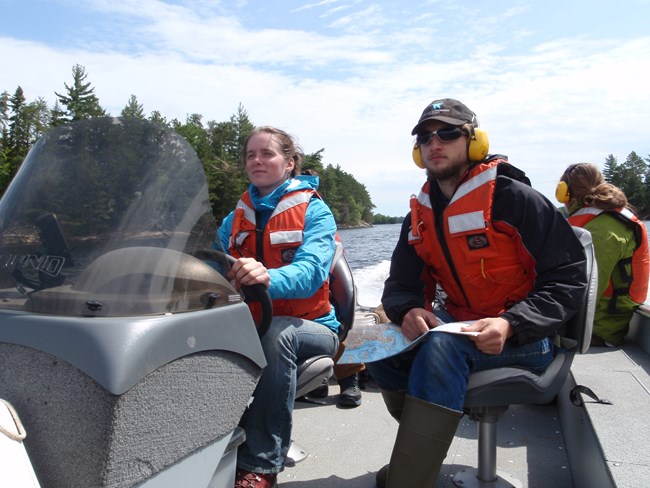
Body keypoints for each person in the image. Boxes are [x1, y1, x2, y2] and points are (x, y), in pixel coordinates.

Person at [365, 98, 588, 487]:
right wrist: (409, 311)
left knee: (442, 349)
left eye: (449, 133)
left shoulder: (514, 199)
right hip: (460, 325)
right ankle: (420, 454)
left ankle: (410, 478)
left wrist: (511, 323)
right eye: (425, 135)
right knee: (375, 342)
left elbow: (568, 278)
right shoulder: (418, 213)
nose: (436, 142)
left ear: (474, 141)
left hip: (527, 334)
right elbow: (401, 285)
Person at [216, 126, 340, 488]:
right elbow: (210, 261)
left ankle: (261, 464)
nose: (256, 160)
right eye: (250, 155)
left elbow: (313, 272)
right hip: (249, 326)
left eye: (266, 153)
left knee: (276, 334)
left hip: (313, 328)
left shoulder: (315, 211)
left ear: (289, 163)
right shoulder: (235, 216)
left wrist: (266, 277)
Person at [556, 162, 649, 346]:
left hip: (600, 327)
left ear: (565, 192)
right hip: (592, 321)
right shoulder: (600, 220)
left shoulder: (602, 229)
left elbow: (587, 289)